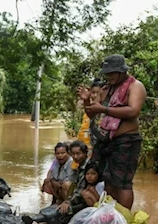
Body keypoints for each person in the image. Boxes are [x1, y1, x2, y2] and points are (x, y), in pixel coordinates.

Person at [78, 54, 146, 210]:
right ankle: (110, 215)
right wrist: (87, 100)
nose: (108, 77)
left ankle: (124, 219)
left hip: (126, 141)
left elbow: (133, 111)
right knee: (108, 179)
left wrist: (104, 109)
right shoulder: (106, 89)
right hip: (106, 140)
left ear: (122, 71)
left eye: (112, 73)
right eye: (107, 73)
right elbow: (92, 113)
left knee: (123, 183)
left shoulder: (135, 86)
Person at [58, 140, 89, 215]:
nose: (75, 157)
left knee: (63, 212)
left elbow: (80, 189)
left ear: (85, 153)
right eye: (73, 154)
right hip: (81, 197)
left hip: (87, 199)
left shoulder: (87, 167)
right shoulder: (80, 166)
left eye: (78, 154)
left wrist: (68, 202)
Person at [77, 79, 104, 152]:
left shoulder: (107, 108)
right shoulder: (90, 110)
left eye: (98, 93)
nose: (95, 95)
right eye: (93, 92)